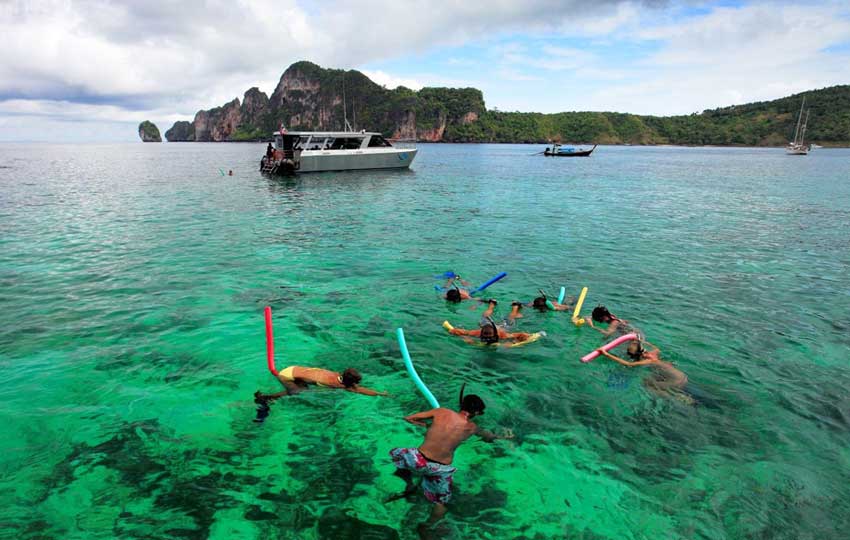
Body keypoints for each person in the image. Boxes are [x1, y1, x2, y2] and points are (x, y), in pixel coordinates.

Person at [388, 392, 513, 529]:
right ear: (476, 412)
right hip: (439, 468)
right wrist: (506, 438)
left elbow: (409, 418)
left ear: (461, 405)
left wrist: (425, 426)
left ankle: (409, 483)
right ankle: (427, 527)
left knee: (399, 455)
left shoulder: (442, 412)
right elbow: (490, 438)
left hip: (417, 460)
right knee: (441, 503)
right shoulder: (472, 428)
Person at [253, 366, 387, 422]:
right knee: (297, 392)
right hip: (286, 375)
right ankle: (264, 399)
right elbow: (360, 390)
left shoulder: (338, 376)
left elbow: (356, 387)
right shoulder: (335, 384)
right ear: (349, 381)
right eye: (356, 382)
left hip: (294, 370)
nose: (357, 384)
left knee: (303, 388)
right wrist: (380, 394)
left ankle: (268, 397)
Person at [596, 340, 693, 404]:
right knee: (652, 377)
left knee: (646, 384)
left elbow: (628, 364)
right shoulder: (654, 354)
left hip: (675, 382)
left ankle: (678, 397)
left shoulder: (648, 360)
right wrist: (642, 341)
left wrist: (606, 354)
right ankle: (678, 394)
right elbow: (656, 347)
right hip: (682, 376)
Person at [447, 300, 536, 346]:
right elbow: (453, 331)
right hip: (486, 324)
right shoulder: (476, 333)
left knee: (511, 318)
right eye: (485, 335)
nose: (487, 338)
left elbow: (523, 335)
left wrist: (513, 342)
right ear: (481, 332)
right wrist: (465, 337)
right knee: (485, 316)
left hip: (503, 327)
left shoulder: (503, 335)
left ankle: (515, 306)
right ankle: (492, 304)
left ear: (495, 334)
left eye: (489, 336)